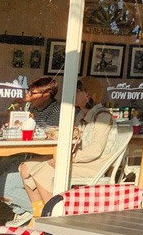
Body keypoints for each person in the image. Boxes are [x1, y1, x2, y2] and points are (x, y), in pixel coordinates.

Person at [16, 80, 114, 216]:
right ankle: (38, 213)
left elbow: (95, 150)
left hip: (93, 165)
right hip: (77, 159)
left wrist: (67, 158)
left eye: (77, 91)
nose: (72, 94)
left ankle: (52, 214)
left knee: (45, 170)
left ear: (88, 95)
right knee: (27, 166)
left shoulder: (102, 116)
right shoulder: (82, 115)